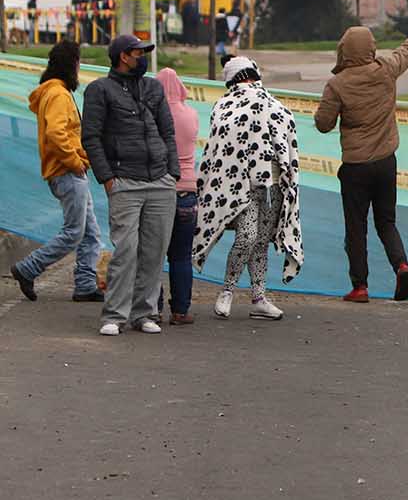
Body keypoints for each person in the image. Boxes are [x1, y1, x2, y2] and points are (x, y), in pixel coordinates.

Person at [316, 7, 408, 302]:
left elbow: (323, 124)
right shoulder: (387, 69)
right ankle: (401, 265)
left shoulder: (337, 85)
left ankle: (360, 287)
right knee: (386, 222)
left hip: (355, 168)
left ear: (343, 50)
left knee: (356, 228)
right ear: (371, 48)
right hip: (386, 163)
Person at [82, 33, 179, 336]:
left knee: (154, 252)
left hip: (161, 182)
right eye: (139, 53)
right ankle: (114, 315)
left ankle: (145, 313)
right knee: (125, 251)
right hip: (124, 181)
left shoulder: (153, 87)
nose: (143, 57)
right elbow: (90, 137)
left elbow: (168, 132)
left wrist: (172, 173)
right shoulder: (99, 90)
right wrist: (108, 178)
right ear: (123, 56)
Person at [192, 58, 304, 321]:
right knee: (247, 237)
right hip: (242, 187)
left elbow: (286, 133)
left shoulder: (271, 105)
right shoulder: (226, 107)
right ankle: (227, 291)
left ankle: (258, 298)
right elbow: (220, 148)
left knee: (262, 242)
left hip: (274, 186)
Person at [9, 41, 103, 303]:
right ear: (70, 65)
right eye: (78, 61)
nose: (80, 66)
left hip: (68, 171)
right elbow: (56, 133)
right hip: (67, 172)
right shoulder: (58, 94)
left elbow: (64, 134)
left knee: (90, 233)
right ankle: (28, 268)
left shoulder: (54, 92)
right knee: (74, 232)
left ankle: (85, 285)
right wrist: (75, 162)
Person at [156, 68, 199, 325]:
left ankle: (155, 308)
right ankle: (181, 311)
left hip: (159, 190)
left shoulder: (152, 115)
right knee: (182, 256)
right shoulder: (191, 115)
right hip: (187, 192)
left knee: (154, 255)